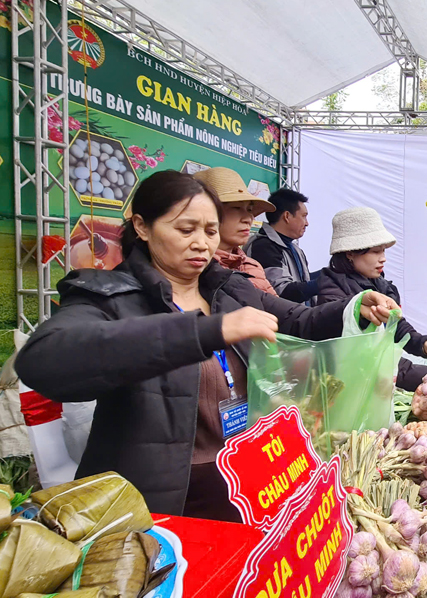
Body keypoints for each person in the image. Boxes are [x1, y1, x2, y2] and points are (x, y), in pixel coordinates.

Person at [15, 171, 400, 521]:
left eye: (211, 231)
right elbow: (44, 360)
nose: (202, 243)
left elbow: (298, 320)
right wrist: (205, 331)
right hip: (155, 502)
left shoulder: (227, 288)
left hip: (246, 486)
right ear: (142, 227)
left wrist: (354, 306)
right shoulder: (110, 295)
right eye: (186, 229)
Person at [316, 207, 427, 390]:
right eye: (375, 252)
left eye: (384, 251)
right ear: (350, 253)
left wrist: (425, 345)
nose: (383, 259)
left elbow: (394, 325)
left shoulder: (379, 283)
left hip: (382, 374)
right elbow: (352, 347)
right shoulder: (331, 286)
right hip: (352, 384)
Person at [193, 167, 277, 295]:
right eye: (236, 208)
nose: (248, 218)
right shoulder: (194, 265)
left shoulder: (252, 266)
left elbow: (278, 309)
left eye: (250, 210)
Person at [245, 188, 318, 304]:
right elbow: (282, 292)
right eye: (304, 216)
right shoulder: (263, 247)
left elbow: (303, 282)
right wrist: (324, 282)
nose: (307, 223)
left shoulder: (296, 249)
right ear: (287, 216)